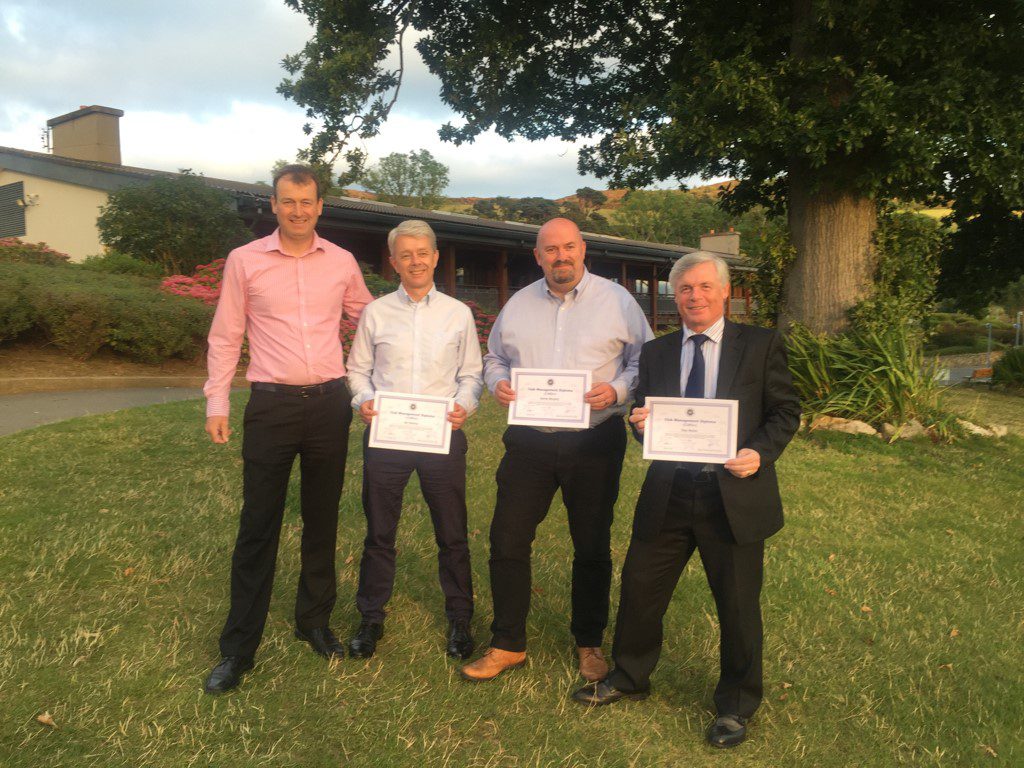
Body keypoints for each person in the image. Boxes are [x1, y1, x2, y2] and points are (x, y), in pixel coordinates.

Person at [571, 252, 801, 749]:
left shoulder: (760, 345)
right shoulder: (658, 352)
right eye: (685, 290)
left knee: (738, 603)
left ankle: (735, 705)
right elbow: (645, 415)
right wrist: (639, 425)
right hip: (670, 492)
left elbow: (785, 411)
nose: (694, 297)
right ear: (676, 298)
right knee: (640, 587)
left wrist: (758, 453)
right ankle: (630, 676)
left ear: (724, 292)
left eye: (703, 287)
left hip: (734, 494)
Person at [202, 164, 373, 694]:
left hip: (328, 405)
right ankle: (239, 647)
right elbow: (226, 334)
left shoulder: (342, 262)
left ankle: (314, 622)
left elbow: (370, 320)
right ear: (273, 206)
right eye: (287, 201)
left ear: (321, 206)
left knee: (322, 520)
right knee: (258, 526)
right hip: (271, 406)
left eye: (307, 201)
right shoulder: (245, 261)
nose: (298, 210)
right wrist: (216, 401)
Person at [460, 217, 653, 683]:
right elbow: (494, 357)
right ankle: (507, 643)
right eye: (551, 249)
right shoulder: (519, 304)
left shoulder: (618, 300)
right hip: (529, 441)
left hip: (593, 441)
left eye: (568, 247)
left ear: (582, 249)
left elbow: (643, 359)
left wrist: (619, 390)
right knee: (507, 540)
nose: (561, 256)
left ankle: (589, 642)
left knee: (590, 545)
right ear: (538, 256)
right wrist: (498, 382)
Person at [345, 219, 483, 660]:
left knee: (452, 533)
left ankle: (460, 620)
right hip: (387, 438)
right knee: (380, 532)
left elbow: (472, 374)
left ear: (436, 257)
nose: (415, 261)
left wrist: (465, 404)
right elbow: (357, 371)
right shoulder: (376, 312)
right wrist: (363, 399)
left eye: (422, 253)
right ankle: (370, 619)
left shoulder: (458, 314)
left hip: (442, 435)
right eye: (405, 254)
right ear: (394, 262)